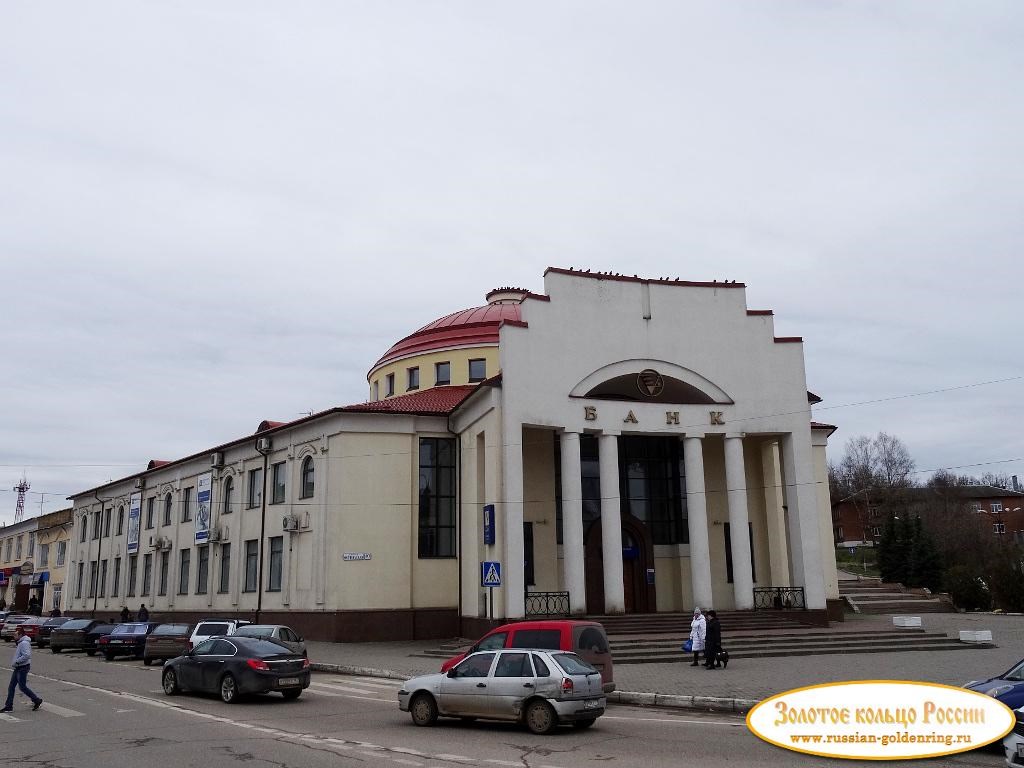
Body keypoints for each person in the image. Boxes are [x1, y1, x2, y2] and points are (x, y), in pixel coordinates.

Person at [1, 626, 43, 713]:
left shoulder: (24, 643)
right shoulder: (21, 642)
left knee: (22, 687)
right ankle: (9, 706)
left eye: (15, 635)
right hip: (19, 667)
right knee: (11, 687)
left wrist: (17, 662)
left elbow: (26, 655)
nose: (14, 637)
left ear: (20, 635)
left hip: (22, 667)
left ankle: (36, 700)